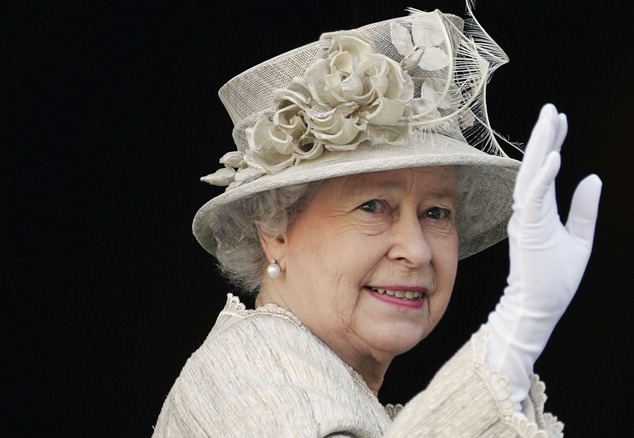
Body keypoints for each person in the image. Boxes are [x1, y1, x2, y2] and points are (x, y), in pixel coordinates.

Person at [153, 3, 601, 437]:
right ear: (275, 231)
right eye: (372, 206)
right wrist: (514, 338)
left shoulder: (330, 385)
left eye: (436, 213)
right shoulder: (246, 375)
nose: (417, 249)